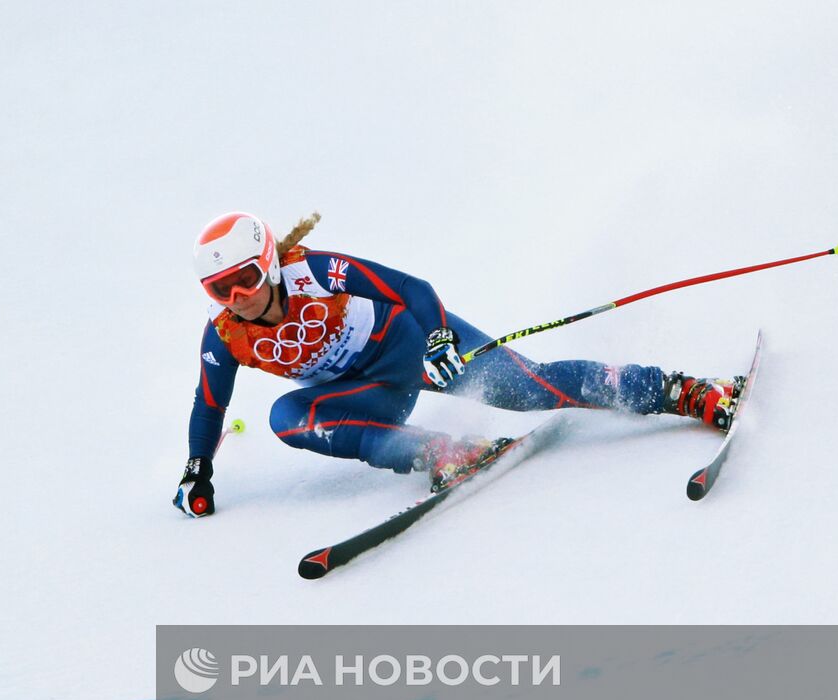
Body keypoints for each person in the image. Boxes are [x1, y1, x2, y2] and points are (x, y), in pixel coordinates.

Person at [173, 211, 743, 518]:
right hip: (371, 392)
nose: (237, 297)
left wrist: (441, 338)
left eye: (245, 278)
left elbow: (408, 288)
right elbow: (210, 402)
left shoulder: (313, 272)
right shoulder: (226, 333)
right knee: (286, 417)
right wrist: (199, 466)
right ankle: (440, 451)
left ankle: (681, 390)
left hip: (412, 345)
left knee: (527, 386)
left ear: (269, 264)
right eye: (218, 288)